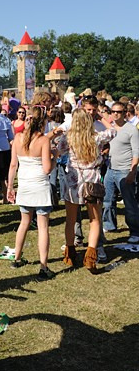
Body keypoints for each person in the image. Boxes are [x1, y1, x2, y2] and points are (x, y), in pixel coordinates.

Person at [56, 109, 116, 270]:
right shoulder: (96, 137)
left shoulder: (67, 138)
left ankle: (70, 254)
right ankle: (90, 256)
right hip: (92, 181)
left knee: (70, 219)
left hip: (73, 182)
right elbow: (113, 131)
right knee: (95, 220)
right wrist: (101, 117)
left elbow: (57, 150)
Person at [7, 106, 57, 279]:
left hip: (25, 185)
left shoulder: (18, 138)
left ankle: (17, 257)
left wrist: (9, 187)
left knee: (24, 223)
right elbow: (47, 169)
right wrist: (55, 157)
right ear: (42, 122)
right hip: (40, 186)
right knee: (43, 227)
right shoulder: (43, 140)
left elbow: (13, 165)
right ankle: (43, 266)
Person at [102, 101, 139, 244]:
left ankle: (135, 231)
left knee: (129, 203)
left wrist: (132, 171)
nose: (115, 114)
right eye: (113, 112)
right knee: (107, 200)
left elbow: (136, 151)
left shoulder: (131, 130)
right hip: (110, 169)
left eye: (119, 112)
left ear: (125, 114)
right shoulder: (110, 129)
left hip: (125, 170)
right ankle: (109, 225)